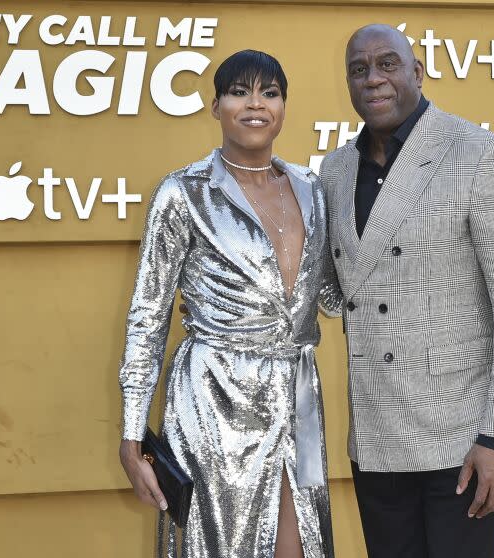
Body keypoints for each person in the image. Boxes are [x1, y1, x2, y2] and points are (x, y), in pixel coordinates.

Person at [317, 24, 494, 558]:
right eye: (358, 69)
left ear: (416, 73)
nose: (373, 79)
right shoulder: (334, 170)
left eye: (386, 64)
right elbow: (330, 291)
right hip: (377, 439)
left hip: (462, 443)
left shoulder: (480, 153)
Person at [117, 50, 342, 558]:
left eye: (270, 92)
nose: (255, 104)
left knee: (301, 540)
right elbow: (148, 315)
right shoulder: (183, 193)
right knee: (219, 544)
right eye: (239, 92)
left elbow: (331, 293)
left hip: (299, 392)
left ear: (284, 106)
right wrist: (133, 434)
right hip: (215, 396)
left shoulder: (313, 189)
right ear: (215, 105)